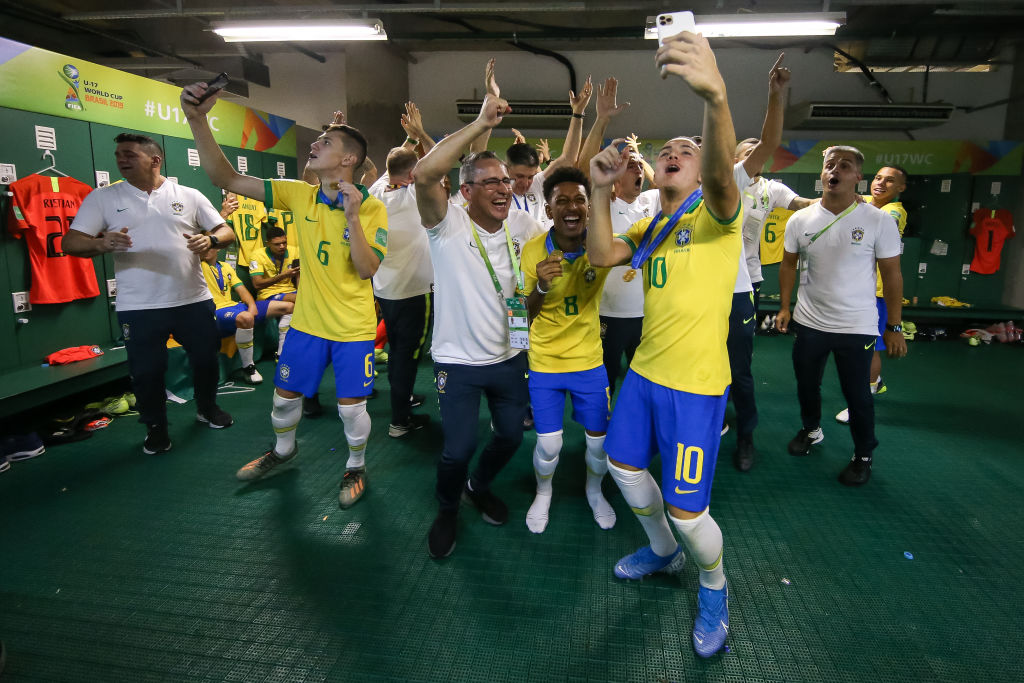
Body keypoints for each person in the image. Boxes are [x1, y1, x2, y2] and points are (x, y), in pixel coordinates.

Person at [586, 31, 743, 658]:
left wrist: (715, 96)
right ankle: (663, 555)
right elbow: (601, 255)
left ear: (703, 165)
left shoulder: (717, 214)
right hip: (646, 375)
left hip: (697, 387)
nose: (674, 152)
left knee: (687, 510)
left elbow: (726, 178)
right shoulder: (653, 222)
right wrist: (600, 188)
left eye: (688, 148)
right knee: (624, 470)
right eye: (668, 149)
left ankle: (714, 584)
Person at [181, 82, 388, 509]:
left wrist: (352, 217)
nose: (314, 143)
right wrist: (197, 118)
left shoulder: (370, 207)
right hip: (308, 324)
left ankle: (355, 465)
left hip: (353, 328)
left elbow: (367, 268)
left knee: (351, 410)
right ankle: (283, 451)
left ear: (348, 159)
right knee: (282, 401)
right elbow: (226, 177)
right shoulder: (299, 193)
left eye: (325, 141)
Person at [414, 87, 545, 559]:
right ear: (465, 191)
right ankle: (448, 506)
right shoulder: (446, 225)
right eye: (489, 182)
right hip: (458, 363)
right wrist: (480, 124)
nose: (502, 188)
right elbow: (426, 172)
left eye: (505, 181)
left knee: (511, 435)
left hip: (509, 356)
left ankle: (478, 484)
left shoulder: (523, 227)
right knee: (458, 446)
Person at [64, 133, 236, 454]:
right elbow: (70, 242)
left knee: (205, 359)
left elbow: (225, 230)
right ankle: (156, 427)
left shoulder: (189, 194)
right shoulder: (103, 198)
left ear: (155, 160)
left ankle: (207, 408)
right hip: (139, 306)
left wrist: (210, 241)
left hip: (192, 299)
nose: (121, 159)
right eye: (118, 154)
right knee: (147, 370)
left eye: (129, 154)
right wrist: (101, 243)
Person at [775, 146, 907, 486]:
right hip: (809, 323)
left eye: (844, 166)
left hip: (857, 326)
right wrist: (786, 307)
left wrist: (893, 326)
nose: (835, 170)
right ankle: (811, 429)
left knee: (858, 395)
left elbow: (892, 275)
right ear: (822, 174)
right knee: (807, 385)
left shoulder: (877, 221)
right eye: (830, 165)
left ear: (857, 177)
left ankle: (863, 454)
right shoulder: (800, 220)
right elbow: (789, 264)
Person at [727, 53, 816, 471]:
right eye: (742, 154)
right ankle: (711, 422)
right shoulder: (718, 185)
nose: (749, 159)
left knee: (740, 367)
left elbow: (799, 201)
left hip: (744, 283)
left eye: (753, 155)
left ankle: (746, 435)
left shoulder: (769, 187)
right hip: (703, 288)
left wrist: (833, 202)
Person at [520, 166, 616, 533]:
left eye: (580, 199)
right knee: (549, 444)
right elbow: (520, 317)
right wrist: (541, 289)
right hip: (544, 362)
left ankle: (595, 491)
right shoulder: (532, 253)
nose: (572, 207)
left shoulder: (602, 247)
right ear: (549, 210)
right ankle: (543, 492)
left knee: (598, 444)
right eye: (562, 200)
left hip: (589, 362)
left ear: (589, 208)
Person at [576, 78, 655, 396]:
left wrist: (639, 158)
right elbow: (583, 170)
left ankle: (638, 428)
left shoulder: (653, 204)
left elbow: (661, 182)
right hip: (607, 312)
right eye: (630, 165)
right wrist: (602, 119)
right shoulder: (602, 205)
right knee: (605, 377)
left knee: (643, 379)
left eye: (640, 166)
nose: (637, 170)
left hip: (646, 313)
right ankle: (600, 432)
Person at [369, 103, 437, 438]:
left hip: (385, 292)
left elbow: (396, 165)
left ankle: (403, 397)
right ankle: (399, 422)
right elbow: (435, 162)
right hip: (413, 293)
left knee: (396, 351)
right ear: (413, 176)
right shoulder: (413, 198)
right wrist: (420, 135)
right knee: (406, 357)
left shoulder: (377, 191)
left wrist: (408, 141)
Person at [470, 59, 592, 228]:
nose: (525, 183)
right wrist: (492, 100)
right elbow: (476, 154)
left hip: (541, 254)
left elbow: (567, 159)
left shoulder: (537, 185)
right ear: (506, 168)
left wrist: (578, 113)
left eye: (529, 176)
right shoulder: (496, 192)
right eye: (519, 176)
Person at [835, 165, 909, 423]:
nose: (881, 183)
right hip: (859, 290)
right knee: (859, 348)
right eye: (878, 178)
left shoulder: (893, 212)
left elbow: (866, 216)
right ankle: (874, 382)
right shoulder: (868, 201)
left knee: (867, 350)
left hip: (877, 293)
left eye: (890, 181)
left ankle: (861, 405)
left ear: (901, 188)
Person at [201, 246, 294, 384]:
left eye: (210, 246)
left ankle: (280, 353)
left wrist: (251, 306)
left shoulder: (225, 266)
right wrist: (249, 314)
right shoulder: (197, 267)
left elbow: (242, 290)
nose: (206, 249)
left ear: (218, 249)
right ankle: (248, 367)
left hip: (235, 305)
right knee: (246, 317)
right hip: (216, 311)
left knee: (289, 307)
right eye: (203, 247)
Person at [248, 225, 297, 361]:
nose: (282, 246)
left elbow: (300, 277)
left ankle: (281, 353)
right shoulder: (257, 255)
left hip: (290, 292)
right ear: (268, 243)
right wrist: (282, 276)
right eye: (277, 244)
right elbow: (257, 284)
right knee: (299, 299)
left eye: (284, 242)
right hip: (267, 295)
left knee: (299, 301)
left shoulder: (294, 252)